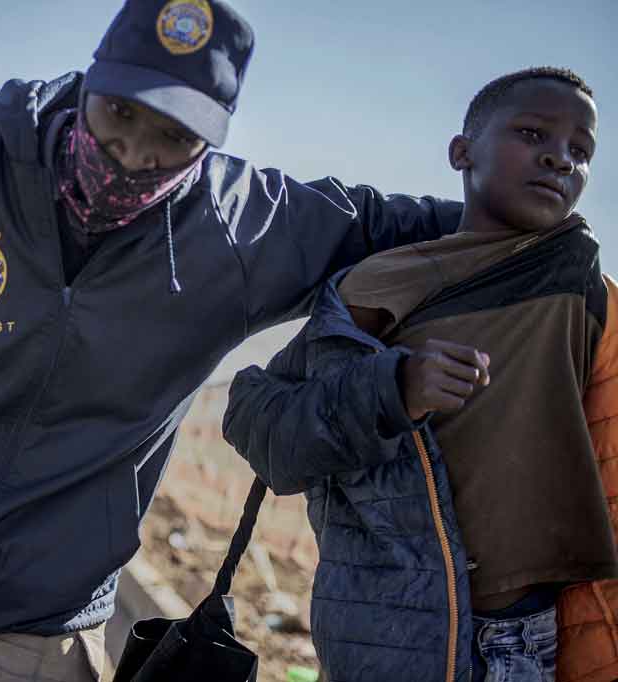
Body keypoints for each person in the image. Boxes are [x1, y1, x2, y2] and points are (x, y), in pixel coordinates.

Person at [0, 1, 462, 679]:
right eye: (120, 113)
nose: (133, 155)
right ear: (90, 81)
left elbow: (397, 227)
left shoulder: (242, 232)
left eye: (174, 135)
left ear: (211, 140)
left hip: (47, 605)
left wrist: (538, 224)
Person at [223, 67, 616, 682]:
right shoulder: (382, 283)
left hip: (531, 636)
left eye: (580, 150)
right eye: (534, 133)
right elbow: (258, 423)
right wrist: (391, 391)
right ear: (462, 152)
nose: (560, 160)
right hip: (391, 628)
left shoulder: (582, 285)